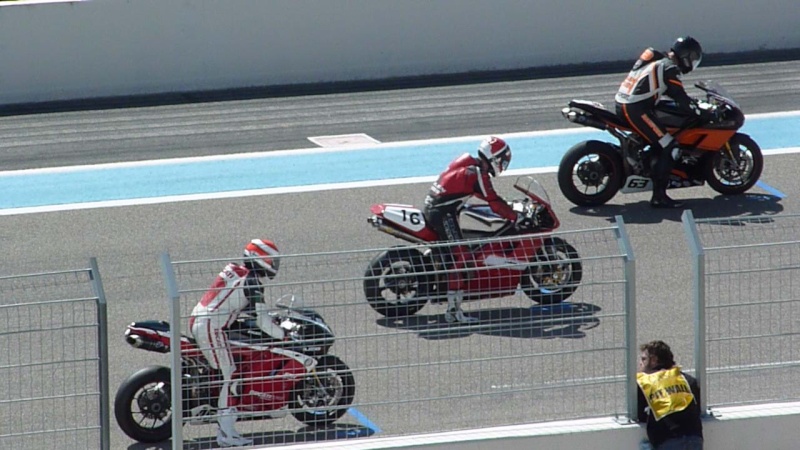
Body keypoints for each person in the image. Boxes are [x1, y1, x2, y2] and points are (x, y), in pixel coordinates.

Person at [189, 239, 285, 448]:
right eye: (271, 260)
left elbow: (235, 302)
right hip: (211, 327)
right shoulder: (252, 282)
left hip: (204, 320)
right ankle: (226, 434)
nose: (273, 264)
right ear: (259, 259)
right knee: (230, 374)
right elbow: (262, 320)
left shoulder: (235, 270)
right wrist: (282, 334)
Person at [422, 136, 522, 323]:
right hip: (442, 213)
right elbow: (493, 201)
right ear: (495, 158)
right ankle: (453, 311)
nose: (502, 165)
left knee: (455, 247)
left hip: (438, 209)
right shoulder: (478, 174)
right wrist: (515, 216)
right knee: (461, 258)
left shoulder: (467, 162)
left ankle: (437, 263)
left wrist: (507, 205)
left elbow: (481, 195)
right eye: (502, 161)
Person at [615, 36, 712, 209]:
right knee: (670, 146)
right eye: (693, 59)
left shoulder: (656, 58)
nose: (692, 64)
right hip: (636, 109)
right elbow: (680, 97)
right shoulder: (670, 69)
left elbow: (658, 87)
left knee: (659, 137)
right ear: (686, 56)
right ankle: (659, 197)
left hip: (623, 103)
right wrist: (699, 112)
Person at [637, 340, 704, 450]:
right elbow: (697, 408)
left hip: (667, 440)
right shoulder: (687, 380)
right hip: (695, 438)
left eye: (643, 359)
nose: (640, 363)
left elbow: (640, 415)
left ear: (654, 360)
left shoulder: (646, 383)